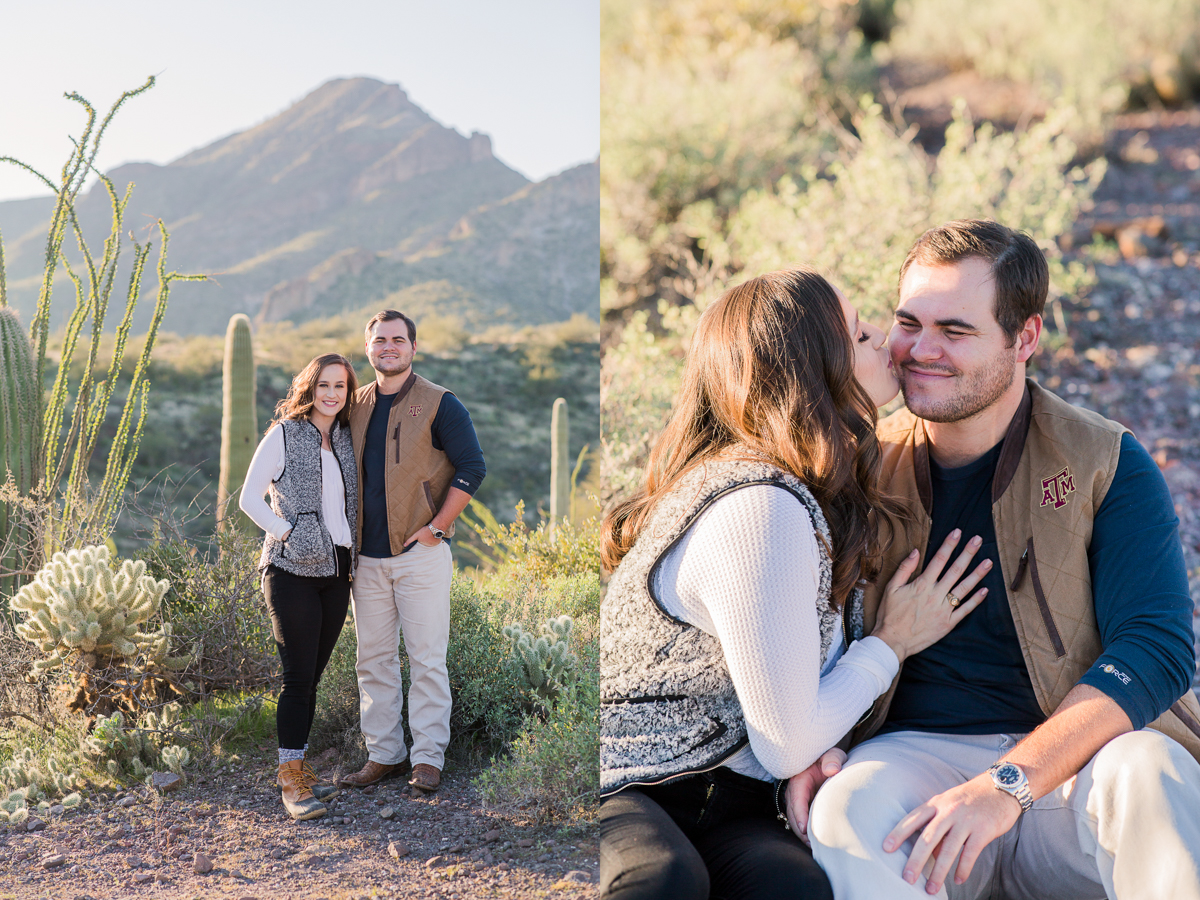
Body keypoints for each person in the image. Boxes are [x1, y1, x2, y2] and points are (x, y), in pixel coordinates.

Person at [796, 219, 1200, 899]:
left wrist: (1006, 783)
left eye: (955, 331)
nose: (921, 350)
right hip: (918, 762)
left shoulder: (1104, 462)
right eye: (908, 322)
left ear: (1026, 339)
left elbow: (1155, 650)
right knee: (846, 809)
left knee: (1152, 772)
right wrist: (810, 747)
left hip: (1076, 766)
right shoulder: (858, 465)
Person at [599, 268, 994, 900]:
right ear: (814, 369)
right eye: (861, 335)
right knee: (660, 881)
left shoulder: (818, 494)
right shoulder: (760, 504)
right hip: (632, 781)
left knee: (793, 889)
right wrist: (891, 644)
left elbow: (792, 711)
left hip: (735, 799)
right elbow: (784, 739)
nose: (888, 344)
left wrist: (820, 752)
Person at [337, 309, 485, 794]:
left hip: (419, 554)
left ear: (413, 348)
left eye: (398, 340)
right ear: (368, 349)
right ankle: (384, 754)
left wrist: (437, 528)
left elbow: (471, 468)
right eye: (380, 340)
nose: (389, 347)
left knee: (426, 659)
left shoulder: (440, 403)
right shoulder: (353, 404)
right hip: (367, 560)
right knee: (373, 659)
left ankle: (427, 759)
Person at [240, 352, 359, 821]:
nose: (332, 394)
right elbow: (250, 498)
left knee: (312, 677)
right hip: (290, 571)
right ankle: (290, 780)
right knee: (296, 678)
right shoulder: (284, 433)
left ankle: (301, 769)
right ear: (310, 387)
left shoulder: (346, 439)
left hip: (336, 572)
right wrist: (288, 531)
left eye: (341, 387)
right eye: (325, 385)